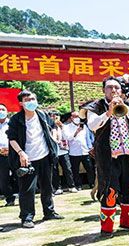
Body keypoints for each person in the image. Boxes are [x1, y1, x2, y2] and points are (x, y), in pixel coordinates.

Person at [86, 77, 129, 237]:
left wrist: (125, 107)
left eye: (117, 87)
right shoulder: (96, 106)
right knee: (109, 189)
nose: (113, 90)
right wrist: (108, 112)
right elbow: (92, 125)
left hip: (128, 154)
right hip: (108, 156)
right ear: (103, 90)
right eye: (109, 87)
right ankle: (107, 228)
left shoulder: (128, 104)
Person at [7, 91, 64, 228]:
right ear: (21, 103)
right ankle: (27, 217)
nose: (31, 101)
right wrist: (21, 153)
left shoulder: (42, 115)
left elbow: (53, 126)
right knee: (27, 189)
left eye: (33, 98)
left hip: (45, 156)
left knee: (47, 186)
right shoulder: (16, 119)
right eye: (27, 100)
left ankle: (49, 212)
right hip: (27, 159)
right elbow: (12, 139)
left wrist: (54, 136)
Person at [62, 111, 95, 190]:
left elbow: (87, 138)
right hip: (74, 152)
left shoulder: (84, 126)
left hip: (85, 151)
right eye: (75, 116)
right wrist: (76, 132)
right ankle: (78, 185)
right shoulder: (67, 127)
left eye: (78, 116)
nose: (77, 118)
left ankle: (92, 183)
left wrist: (90, 147)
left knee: (89, 168)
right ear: (71, 118)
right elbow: (67, 137)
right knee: (75, 170)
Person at [51, 112, 77, 195]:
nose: (55, 118)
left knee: (68, 169)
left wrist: (61, 127)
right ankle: (57, 187)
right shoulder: (48, 126)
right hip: (54, 152)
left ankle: (71, 186)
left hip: (63, 150)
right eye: (53, 116)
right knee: (55, 171)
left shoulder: (64, 126)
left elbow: (68, 137)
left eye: (57, 116)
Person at [0, 103, 17, 206]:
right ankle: (9, 198)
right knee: (3, 179)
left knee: (20, 175)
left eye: (3, 109)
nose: (1, 112)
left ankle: (25, 196)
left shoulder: (12, 123)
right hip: (1, 156)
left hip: (14, 153)